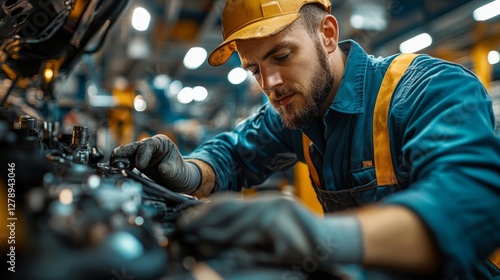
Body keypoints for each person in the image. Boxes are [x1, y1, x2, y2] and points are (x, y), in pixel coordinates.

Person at [111, 0, 500, 278]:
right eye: (255, 70)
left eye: (281, 55)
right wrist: (189, 173)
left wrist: (321, 237)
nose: (270, 84)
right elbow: (234, 154)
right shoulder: (296, 111)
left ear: (327, 34)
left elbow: (472, 206)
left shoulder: (427, 89)